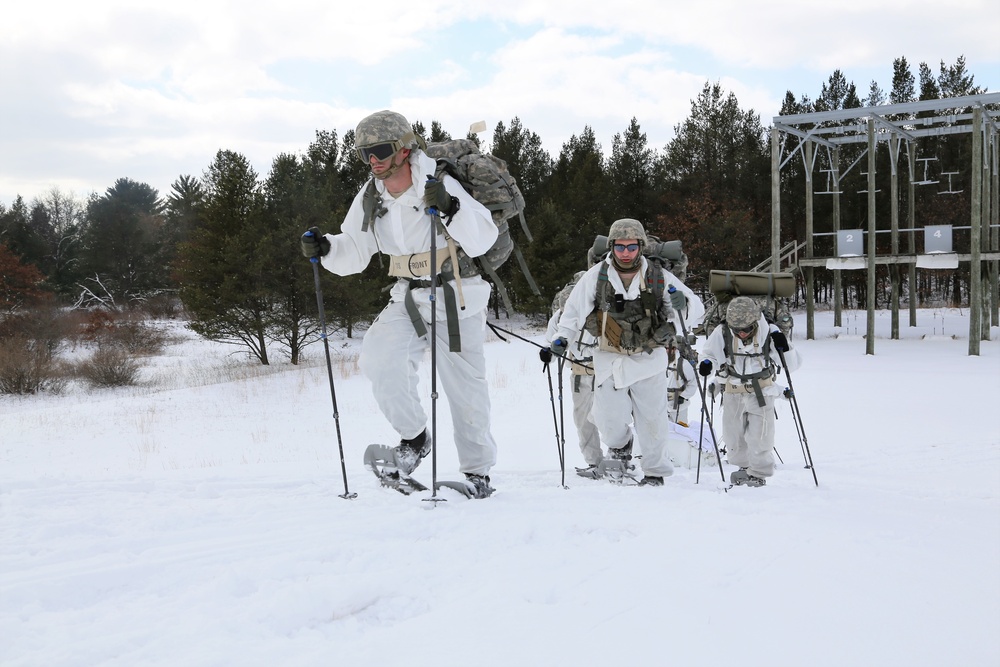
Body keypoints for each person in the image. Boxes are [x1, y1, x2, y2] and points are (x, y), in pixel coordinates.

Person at [299, 110, 499, 499]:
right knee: (378, 358)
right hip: (408, 294)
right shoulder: (371, 194)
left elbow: (483, 238)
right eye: (364, 153)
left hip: (455, 294)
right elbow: (355, 248)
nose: (372, 159)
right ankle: (415, 439)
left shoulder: (437, 181)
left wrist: (451, 209)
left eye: (380, 149)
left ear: (405, 148)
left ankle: (478, 473)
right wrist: (327, 248)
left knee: (463, 388)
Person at [550, 218, 704, 487]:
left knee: (653, 418)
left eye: (631, 247)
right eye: (619, 247)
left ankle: (655, 471)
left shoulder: (659, 276)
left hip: (649, 358)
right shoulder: (597, 275)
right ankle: (620, 446)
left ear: (640, 246)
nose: (625, 253)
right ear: (612, 246)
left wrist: (683, 305)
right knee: (608, 420)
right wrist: (562, 338)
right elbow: (573, 312)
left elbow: (693, 311)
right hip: (609, 358)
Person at [697, 296, 802, 487]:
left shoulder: (769, 331)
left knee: (761, 437)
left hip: (761, 391)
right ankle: (744, 469)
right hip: (732, 390)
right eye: (737, 330)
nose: (742, 333)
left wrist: (784, 347)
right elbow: (710, 354)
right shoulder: (723, 331)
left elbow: (791, 365)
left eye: (746, 329)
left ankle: (758, 474)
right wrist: (706, 364)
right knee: (733, 438)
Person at [541, 270, 603, 477]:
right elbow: (551, 343)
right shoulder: (559, 317)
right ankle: (595, 462)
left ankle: (619, 456)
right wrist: (548, 354)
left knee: (608, 416)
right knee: (583, 420)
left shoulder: (603, 314)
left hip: (605, 373)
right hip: (578, 374)